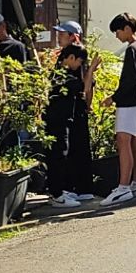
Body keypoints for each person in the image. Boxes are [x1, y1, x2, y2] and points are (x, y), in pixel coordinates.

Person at [102, 13, 136, 207]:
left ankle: (123, 187)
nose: (117, 35)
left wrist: (114, 97)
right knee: (135, 139)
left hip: (128, 103)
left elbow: (129, 80)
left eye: (118, 31)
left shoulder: (131, 50)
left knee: (123, 140)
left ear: (128, 28)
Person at [43, 44, 94, 208]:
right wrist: (91, 69)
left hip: (60, 119)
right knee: (58, 154)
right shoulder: (64, 76)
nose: (80, 65)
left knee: (60, 154)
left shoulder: (59, 73)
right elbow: (85, 89)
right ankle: (56, 195)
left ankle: (58, 191)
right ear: (71, 57)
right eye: (79, 61)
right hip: (58, 120)